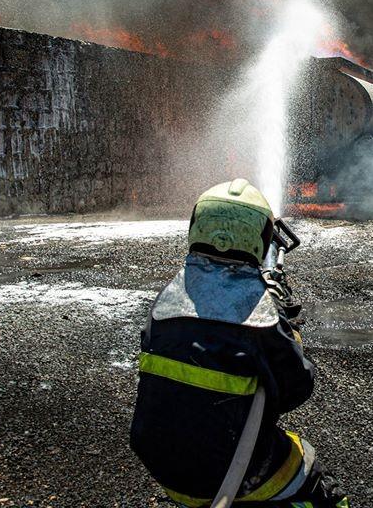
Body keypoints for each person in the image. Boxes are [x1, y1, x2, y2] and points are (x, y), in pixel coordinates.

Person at [130, 178, 348, 507]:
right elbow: (297, 388)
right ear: (259, 238)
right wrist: (283, 324)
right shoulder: (259, 319)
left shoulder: (167, 300)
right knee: (319, 486)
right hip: (222, 473)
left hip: (162, 466)